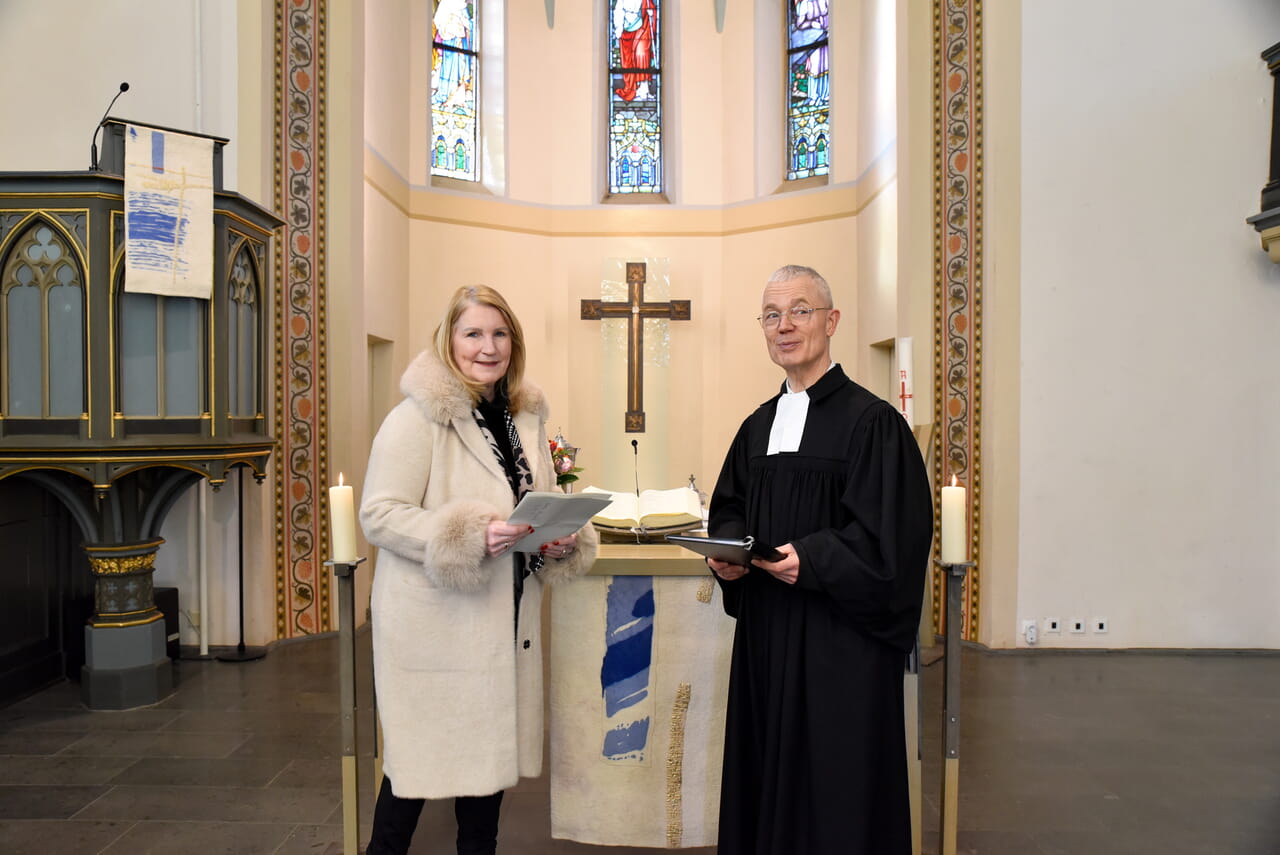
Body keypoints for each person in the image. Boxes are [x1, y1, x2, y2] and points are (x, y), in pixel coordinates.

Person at [359, 285, 599, 855]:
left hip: (502, 621)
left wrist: (556, 542)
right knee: (413, 775)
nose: (487, 347)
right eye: (473, 333)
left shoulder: (524, 417)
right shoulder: (417, 417)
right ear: (450, 341)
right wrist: (467, 533)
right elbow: (379, 514)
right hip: (435, 631)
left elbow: (531, 501)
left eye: (499, 333)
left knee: (486, 780)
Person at [705, 265, 932, 855]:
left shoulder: (873, 423)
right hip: (767, 639)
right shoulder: (757, 426)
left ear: (831, 321)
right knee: (765, 771)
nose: (785, 327)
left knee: (836, 785)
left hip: (840, 648)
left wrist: (813, 559)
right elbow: (729, 507)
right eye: (772, 316)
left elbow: (894, 541)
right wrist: (727, 555)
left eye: (799, 311)